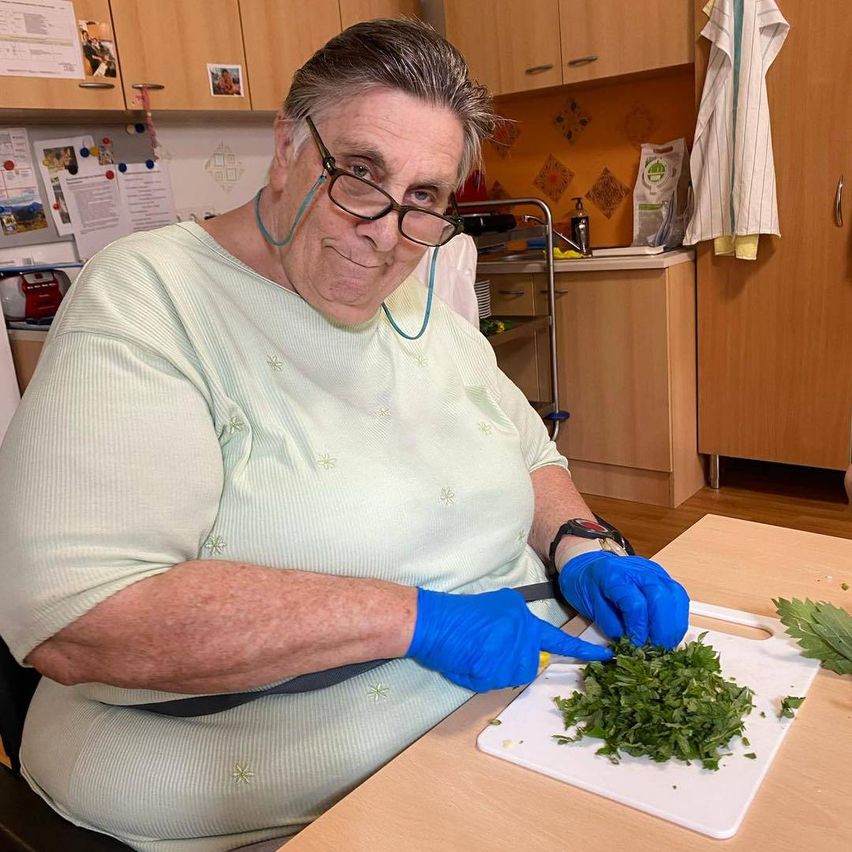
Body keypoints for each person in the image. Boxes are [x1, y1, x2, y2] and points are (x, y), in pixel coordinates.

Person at [0, 18, 689, 852]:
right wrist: (412, 621)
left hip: (508, 721)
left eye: (425, 198)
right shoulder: (152, 298)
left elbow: (528, 451)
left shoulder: (421, 298)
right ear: (288, 146)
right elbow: (80, 619)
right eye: (359, 175)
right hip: (273, 792)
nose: (386, 232)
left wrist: (581, 543)